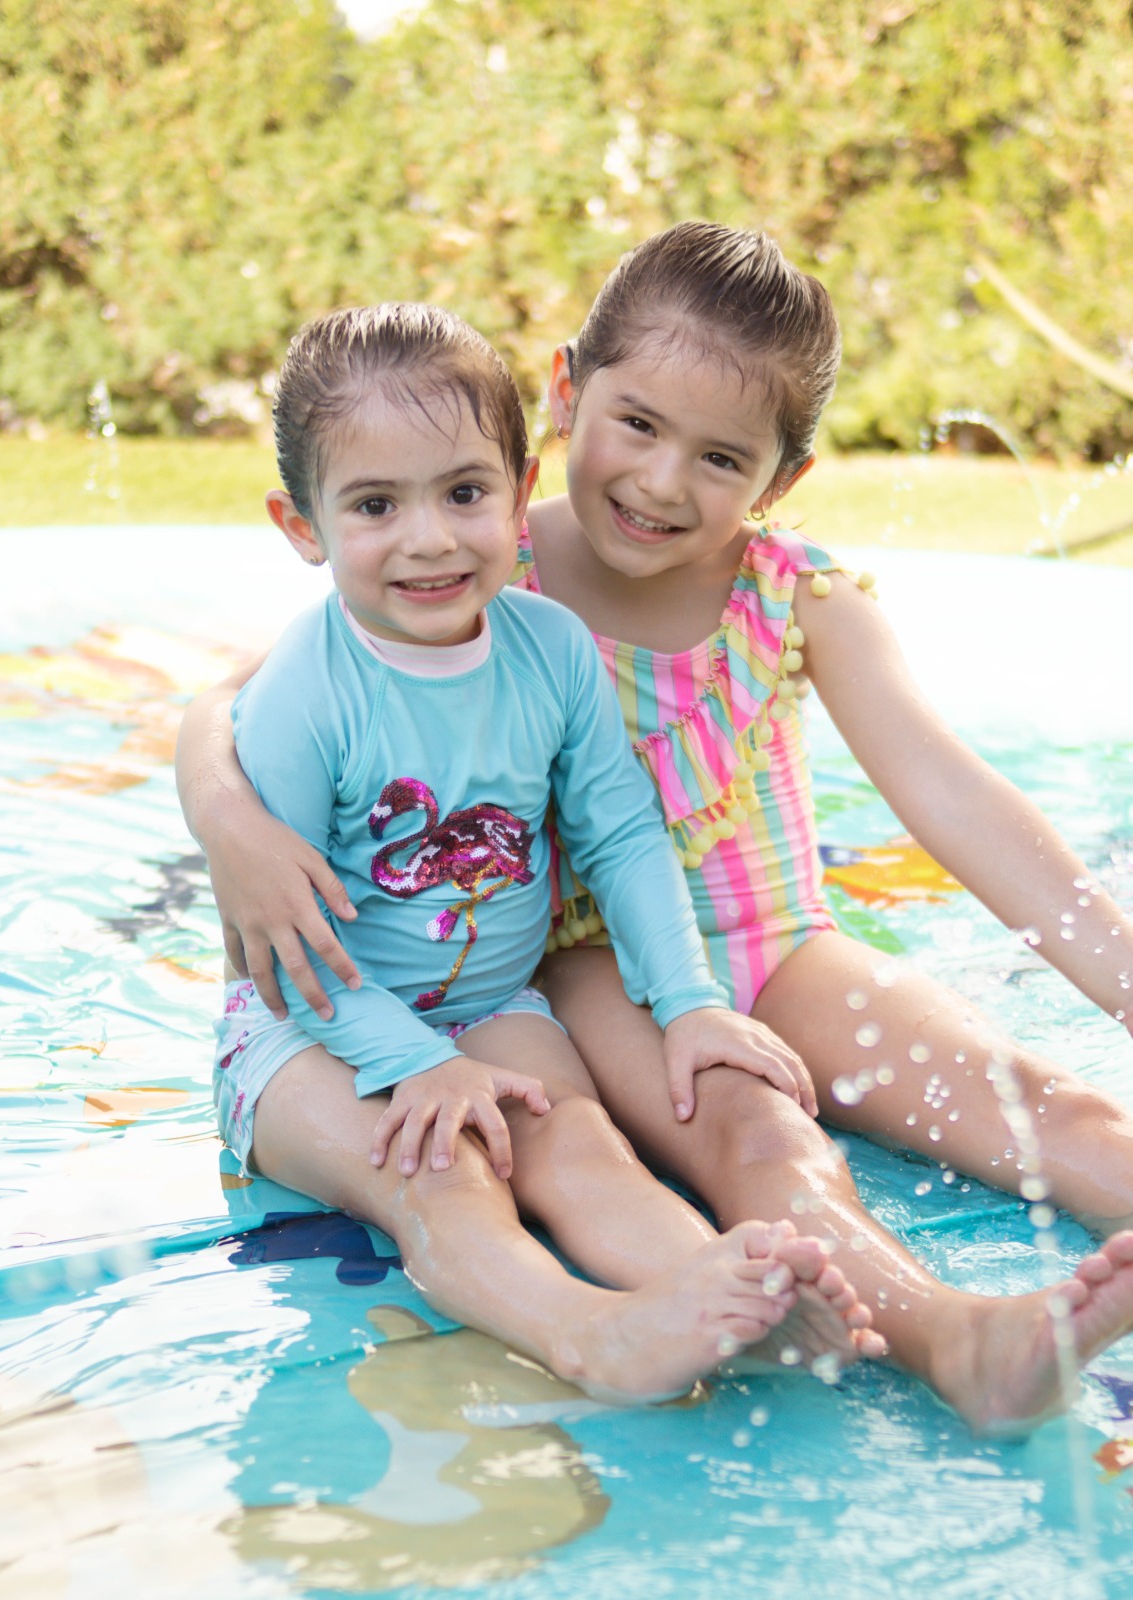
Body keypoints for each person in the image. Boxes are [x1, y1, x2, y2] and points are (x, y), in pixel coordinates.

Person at [177, 233, 1133, 1434]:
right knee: (761, 1135)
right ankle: (956, 1341)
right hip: (593, 967)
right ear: (568, 391)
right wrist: (228, 826)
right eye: (634, 425)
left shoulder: (795, 597)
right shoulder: (477, 550)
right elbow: (229, 704)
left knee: (1024, 1097)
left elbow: (954, 799)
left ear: (780, 479)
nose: (662, 482)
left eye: (720, 456)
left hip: (777, 942)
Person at [197, 299, 882, 1406]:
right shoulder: (303, 697)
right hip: (308, 1032)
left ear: (520, 493)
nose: (428, 537)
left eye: (463, 492)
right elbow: (287, 954)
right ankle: (586, 1334)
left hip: (494, 1004)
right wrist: (418, 1065)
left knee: (583, 1150)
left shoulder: (548, 647)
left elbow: (618, 834)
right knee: (446, 1176)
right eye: (374, 504)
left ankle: (717, 1292)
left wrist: (691, 1000)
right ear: (301, 523)